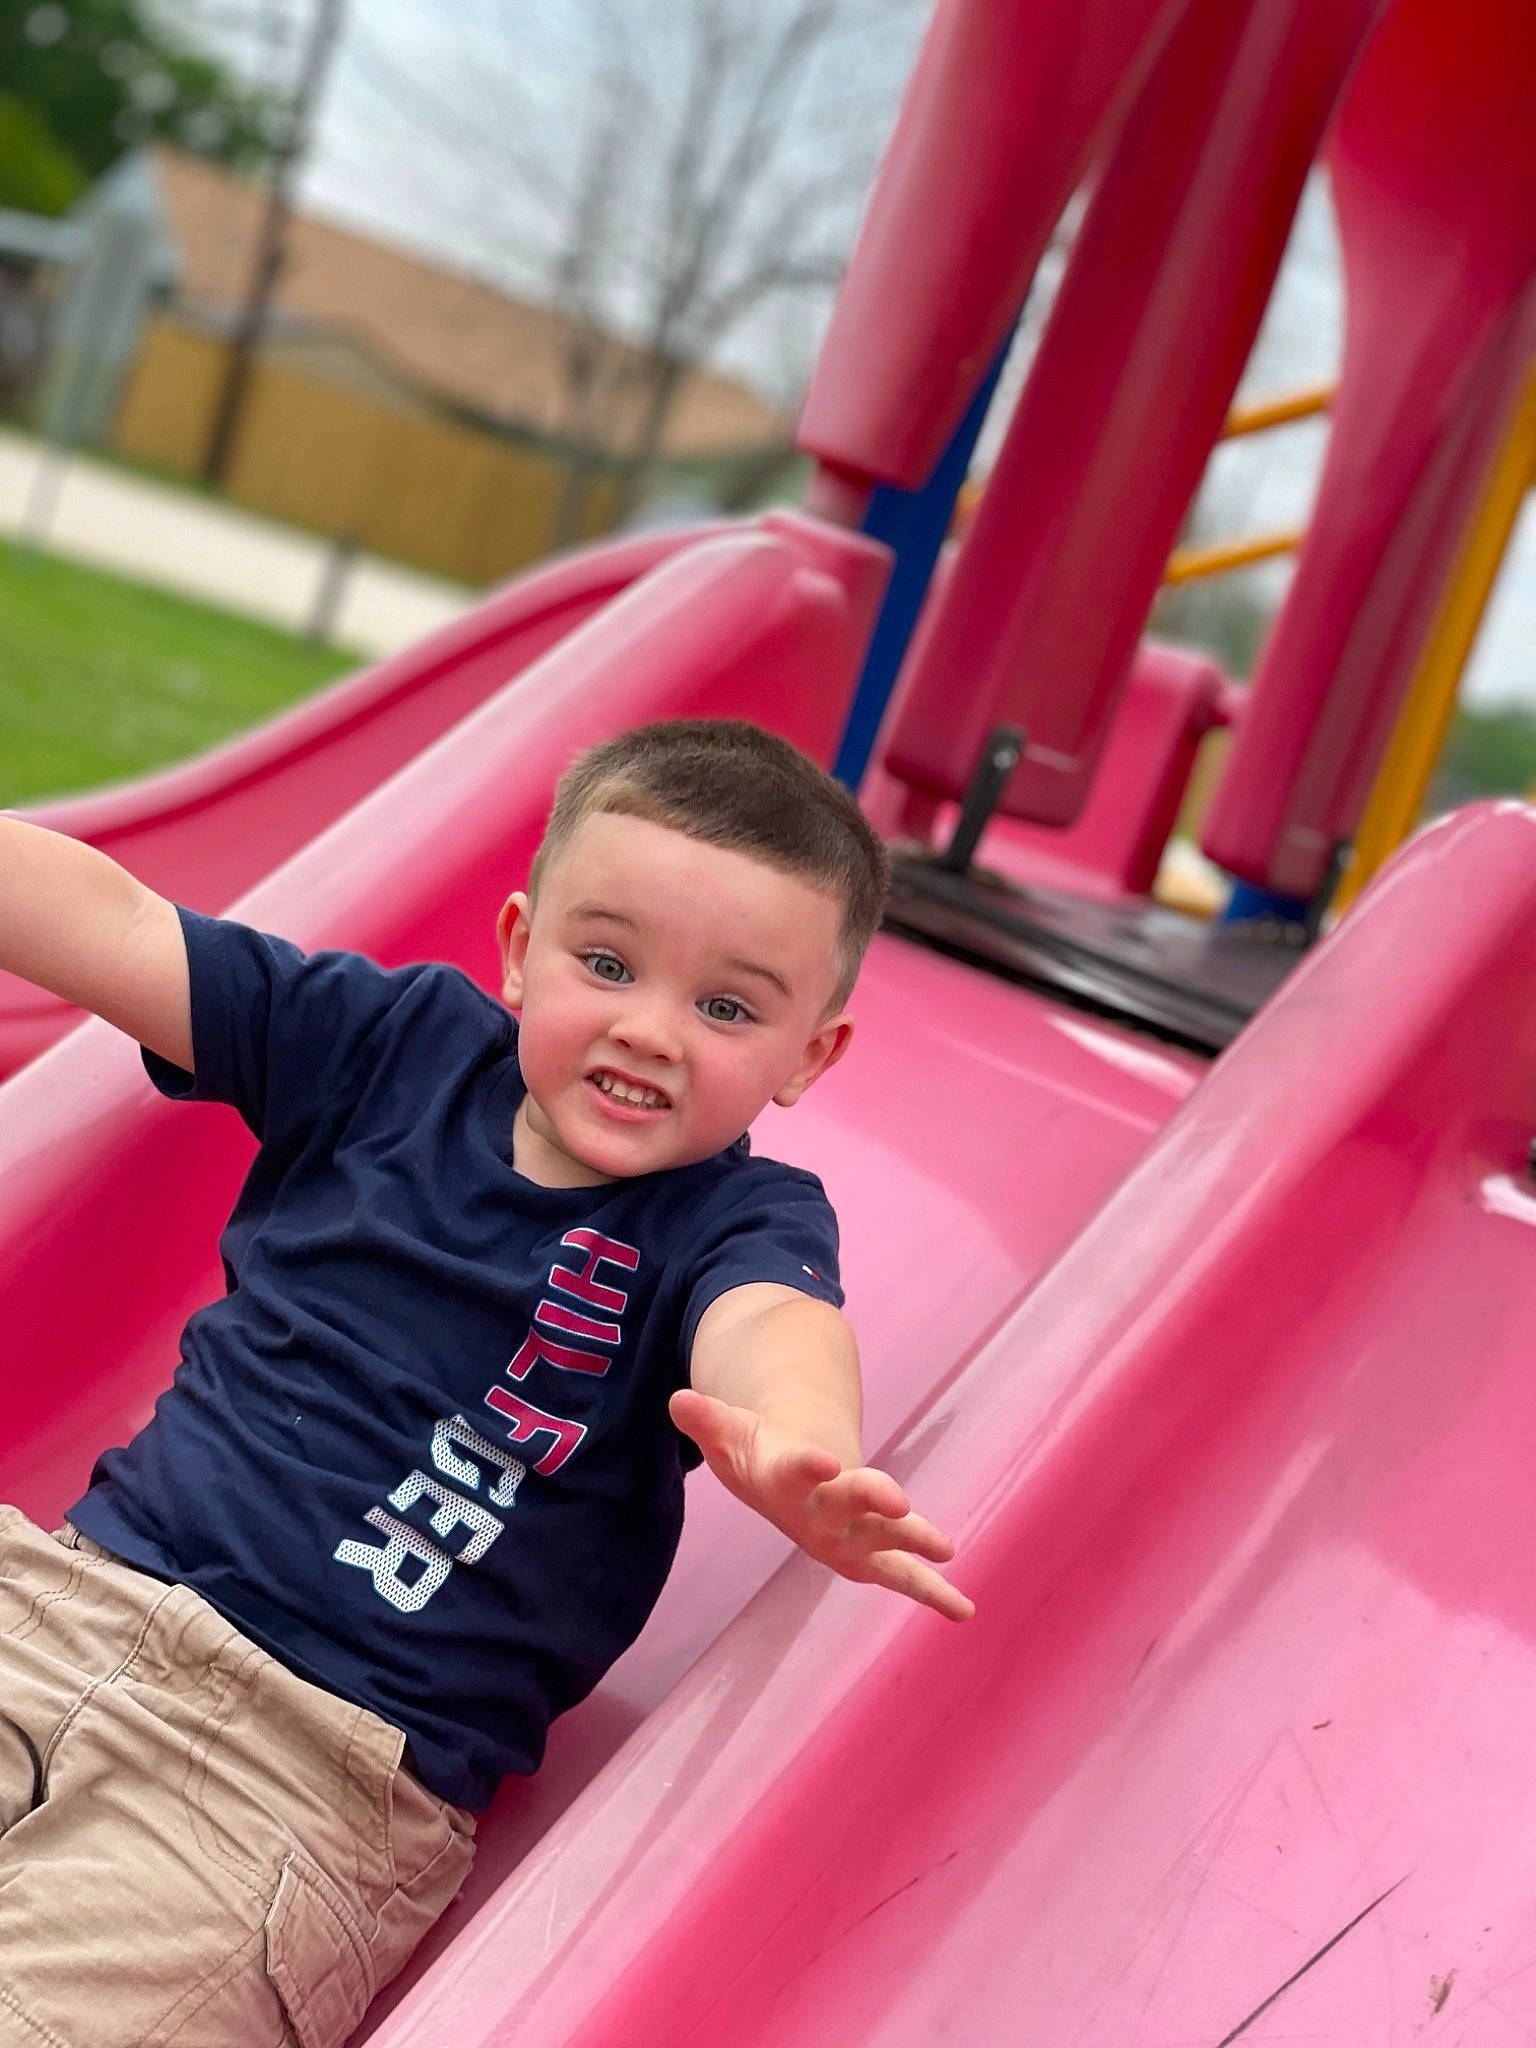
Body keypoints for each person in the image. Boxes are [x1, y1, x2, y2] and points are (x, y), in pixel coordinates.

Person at [0, 717, 970, 2048]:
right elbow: (121, 929)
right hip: (54, 1604)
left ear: (810, 1056)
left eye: (728, 1007)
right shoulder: (387, 1045)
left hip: (297, 1781)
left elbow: (774, 1324)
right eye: (608, 962)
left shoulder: (730, 1222)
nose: (651, 1029)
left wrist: (798, 1436)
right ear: (522, 947)